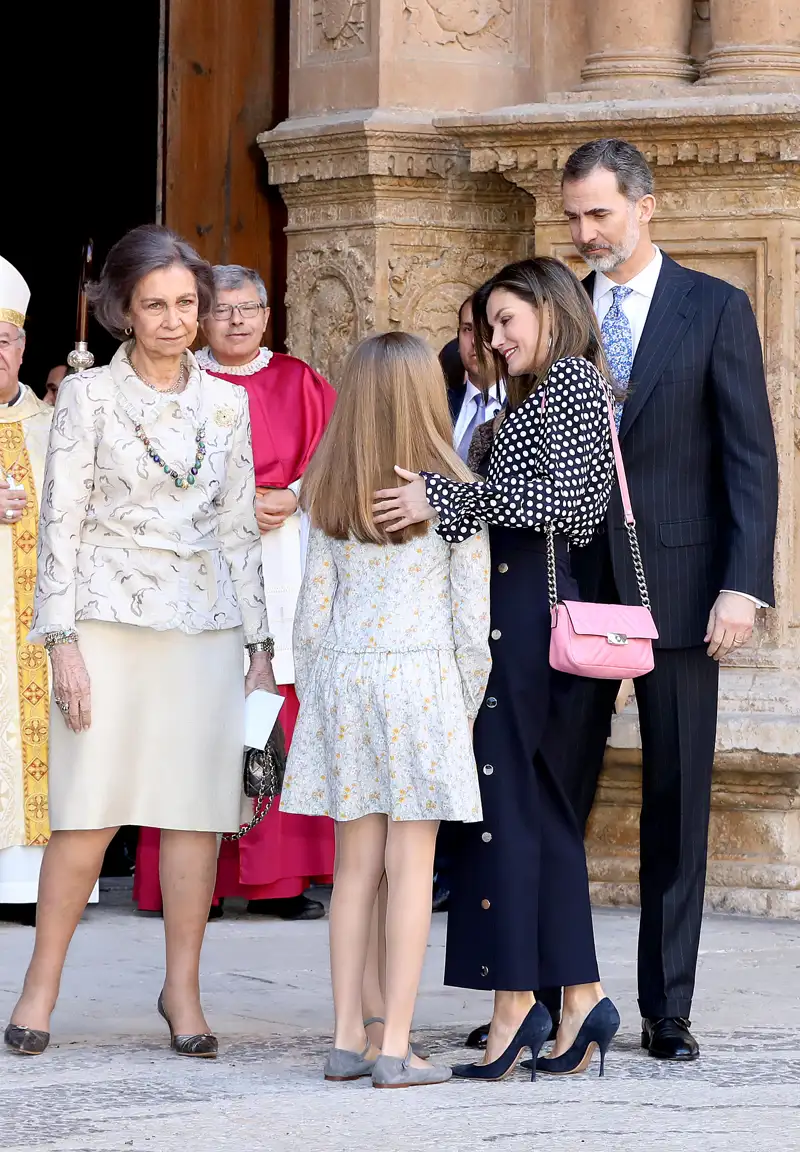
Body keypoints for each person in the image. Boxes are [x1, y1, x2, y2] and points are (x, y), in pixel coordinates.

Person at [3, 224, 276, 1058]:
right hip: (105, 621)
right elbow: (62, 527)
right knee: (87, 812)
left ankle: (183, 994)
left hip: (204, 626)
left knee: (194, 817)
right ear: (122, 311)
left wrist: (259, 648)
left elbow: (238, 530)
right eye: (154, 305)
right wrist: (64, 644)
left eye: (186, 304)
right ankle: (39, 989)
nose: (173, 320)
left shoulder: (228, 403)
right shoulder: (83, 399)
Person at [556, 139, 779, 1062]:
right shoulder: (557, 306)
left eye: (600, 214)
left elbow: (750, 459)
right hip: (571, 593)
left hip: (687, 594)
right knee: (550, 797)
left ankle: (666, 1012)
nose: (586, 232)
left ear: (648, 206)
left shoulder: (716, 308)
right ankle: (548, 994)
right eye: (573, 216)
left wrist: (744, 585)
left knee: (678, 802)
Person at [373, 258, 621, 1081]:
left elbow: (574, 507)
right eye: (489, 325)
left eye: (510, 320)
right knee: (540, 812)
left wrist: (448, 499)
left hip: (529, 625)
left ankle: (516, 1004)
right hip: (510, 619)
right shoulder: (535, 395)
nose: (496, 338)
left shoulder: (575, 385)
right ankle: (579, 996)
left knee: (507, 808)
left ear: (552, 312)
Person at [281, 331, 491, 1089]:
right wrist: (462, 709)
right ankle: (396, 1046)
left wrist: (321, 690)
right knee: (413, 869)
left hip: (344, 680)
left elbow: (310, 616)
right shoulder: (454, 487)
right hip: (422, 682)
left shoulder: (328, 483)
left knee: (353, 870)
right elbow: (472, 628)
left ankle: (346, 1038)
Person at [134, 264, 336, 922]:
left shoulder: (299, 381)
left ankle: (278, 881)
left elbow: (335, 456)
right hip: (202, 563)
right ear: (200, 318)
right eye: (223, 310)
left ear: (267, 315)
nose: (237, 320)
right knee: (200, 711)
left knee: (277, 705)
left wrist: (294, 496)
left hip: (283, 559)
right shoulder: (175, 384)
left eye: (249, 308)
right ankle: (198, 883)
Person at [0, 260, 71, 923]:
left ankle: (28, 888)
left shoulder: (57, 426)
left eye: (4, 338)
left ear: (23, 347)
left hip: (36, 626)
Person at [448, 296, 505, 462]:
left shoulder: (524, 405)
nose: (475, 341)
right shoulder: (441, 404)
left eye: (485, 329)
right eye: (467, 329)